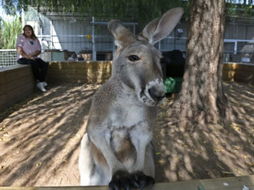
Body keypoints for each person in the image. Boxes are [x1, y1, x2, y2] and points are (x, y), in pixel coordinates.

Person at [16, 25, 48, 92]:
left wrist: (32, 56)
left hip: (33, 57)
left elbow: (39, 50)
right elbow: (19, 50)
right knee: (34, 63)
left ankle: (40, 82)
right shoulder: (21, 38)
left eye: (29, 30)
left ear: (32, 31)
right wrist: (28, 57)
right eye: (26, 30)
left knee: (45, 64)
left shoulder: (35, 39)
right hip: (23, 58)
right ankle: (41, 82)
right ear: (24, 31)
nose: (28, 31)